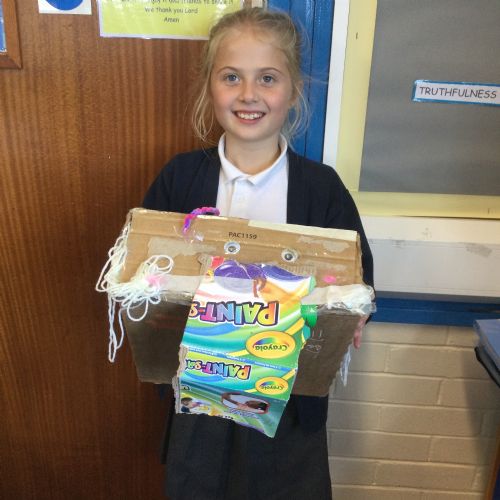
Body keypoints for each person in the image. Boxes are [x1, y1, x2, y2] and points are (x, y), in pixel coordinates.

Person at [142, 7, 373, 499]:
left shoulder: (321, 189)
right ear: (210, 86)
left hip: (288, 401)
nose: (249, 94)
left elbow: (358, 279)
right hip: (199, 395)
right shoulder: (180, 178)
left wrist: (353, 312)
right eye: (232, 77)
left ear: (293, 91)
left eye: (267, 78)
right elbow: (144, 270)